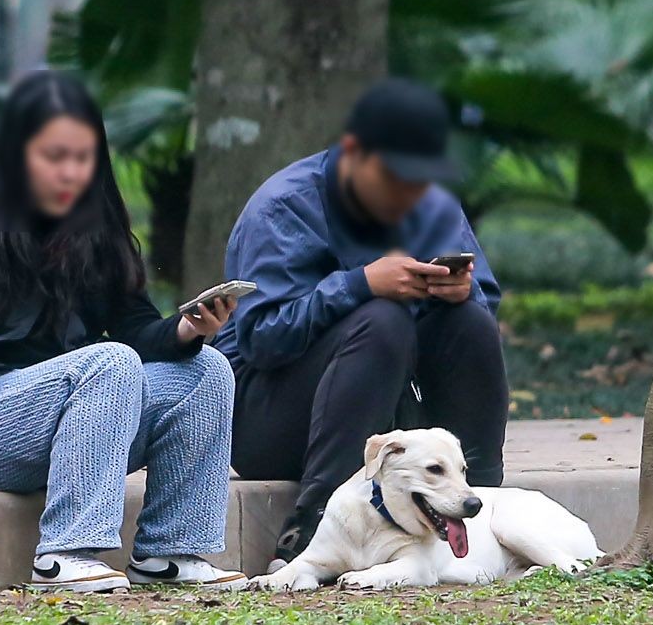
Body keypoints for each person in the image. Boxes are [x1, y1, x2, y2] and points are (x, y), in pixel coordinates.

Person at [0, 71, 247, 594]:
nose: (70, 173)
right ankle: (65, 554)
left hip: (77, 421)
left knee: (206, 369)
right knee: (110, 362)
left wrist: (187, 329)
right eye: (54, 157)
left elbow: (136, 327)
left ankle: (170, 552)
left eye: (83, 158)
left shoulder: (94, 230)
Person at [216, 78, 506, 569]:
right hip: (269, 416)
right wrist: (359, 285)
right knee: (382, 318)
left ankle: (487, 509)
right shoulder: (285, 205)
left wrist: (464, 292)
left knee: (470, 322)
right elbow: (262, 338)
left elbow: (482, 309)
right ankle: (310, 530)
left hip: (390, 417)